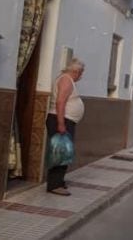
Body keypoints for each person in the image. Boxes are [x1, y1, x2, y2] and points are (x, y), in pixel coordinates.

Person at [46, 58, 85, 196]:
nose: (81, 75)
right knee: (61, 153)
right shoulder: (66, 80)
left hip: (66, 120)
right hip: (62, 120)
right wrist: (61, 123)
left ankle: (58, 181)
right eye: (81, 72)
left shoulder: (67, 80)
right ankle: (54, 185)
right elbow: (60, 102)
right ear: (76, 71)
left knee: (64, 152)